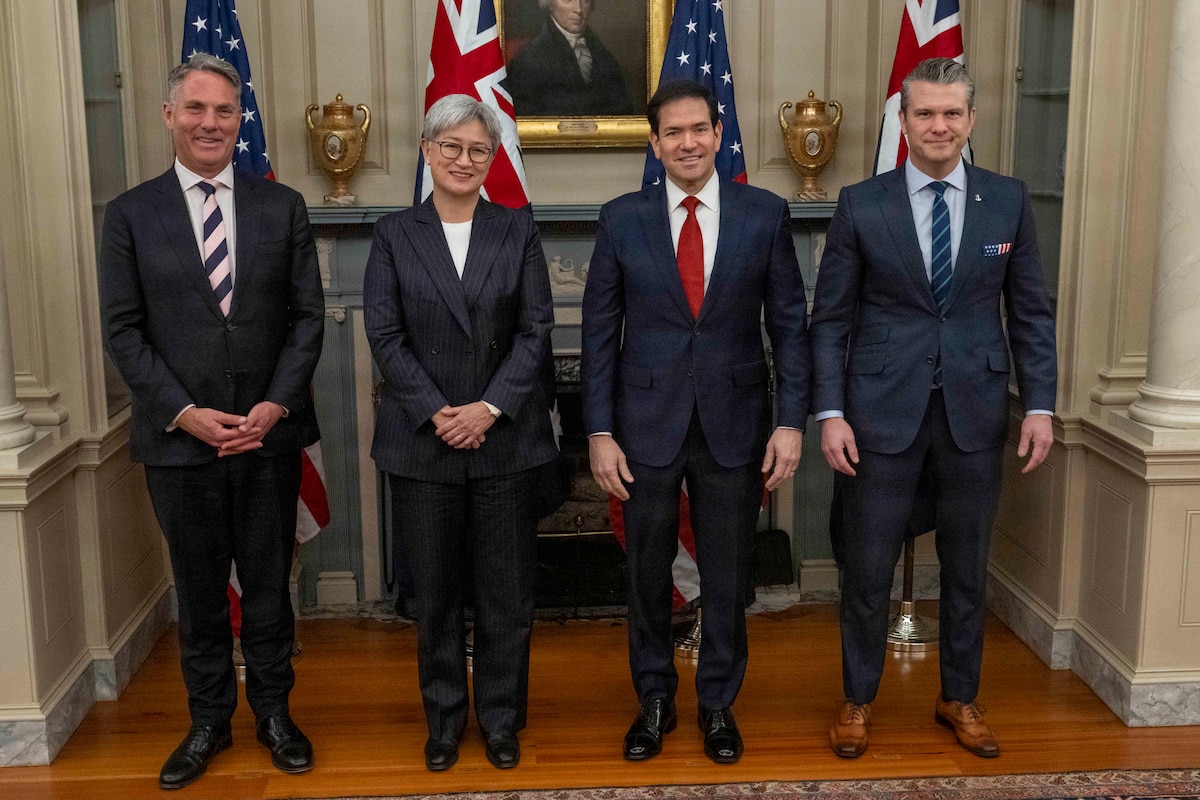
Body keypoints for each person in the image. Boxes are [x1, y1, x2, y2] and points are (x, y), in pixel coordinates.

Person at [810, 57, 1058, 760]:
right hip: (876, 414)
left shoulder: (1006, 201)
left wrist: (1039, 405)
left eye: (952, 113)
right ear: (905, 122)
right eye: (925, 113)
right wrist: (830, 411)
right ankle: (858, 700)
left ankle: (959, 695)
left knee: (968, 568)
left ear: (971, 120)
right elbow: (829, 319)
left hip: (975, 414)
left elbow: (1032, 314)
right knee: (866, 568)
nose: (940, 125)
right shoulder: (863, 203)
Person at [100, 53, 324, 789]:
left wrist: (274, 405)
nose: (210, 123)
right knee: (198, 598)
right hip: (180, 447)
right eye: (195, 109)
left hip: (267, 439)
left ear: (241, 118)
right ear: (169, 115)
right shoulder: (131, 215)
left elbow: (306, 320)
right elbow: (124, 332)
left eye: (224, 110)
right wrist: (187, 415)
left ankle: (274, 716)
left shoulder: (281, 205)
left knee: (267, 589)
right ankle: (207, 724)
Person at [581, 79, 811, 765]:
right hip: (643, 426)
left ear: (718, 134)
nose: (687, 142)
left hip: (736, 425)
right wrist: (598, 431)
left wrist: (791, 421)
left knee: (727, 574)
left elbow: (791, 330)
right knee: (647, 573)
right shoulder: (621, 218)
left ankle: (717, 704)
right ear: (655, 143)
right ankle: (653, 700)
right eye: (672, 132)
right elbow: (597, 336)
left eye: (699, 130)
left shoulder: (764, 213)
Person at [364, 94, 557, 772]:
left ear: (493, 158)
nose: (465, 160)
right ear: (427, 151)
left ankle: (501, 721)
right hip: (424, 442)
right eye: (451, 148)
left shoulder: (518, 228)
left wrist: (488, 409)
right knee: (437, 596)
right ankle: (444, 721)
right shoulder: (393, 235)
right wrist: (441, 411)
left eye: (479, 149)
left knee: (507, 597)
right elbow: (384, 334)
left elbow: (537, 329)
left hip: (504, 441)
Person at [507, 0, 636, 117]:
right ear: (550, 4)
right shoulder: (528, 61)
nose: (578, 9)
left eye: (585, 1)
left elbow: (624, 112)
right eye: (568, 0)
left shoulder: (607, 60)